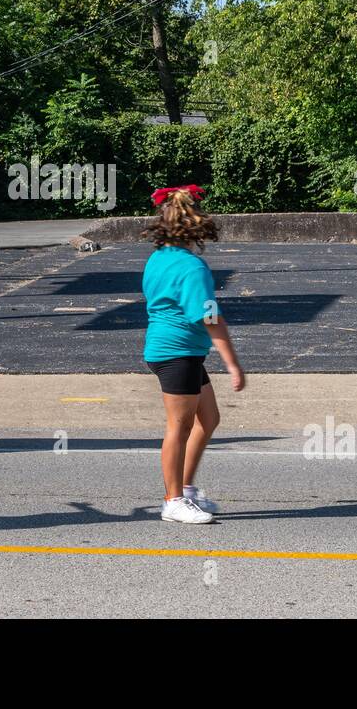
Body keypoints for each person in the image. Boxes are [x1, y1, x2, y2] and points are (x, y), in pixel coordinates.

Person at [141, 184, 245, 524]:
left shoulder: (157, 259)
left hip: (174, 351)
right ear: (195, 224)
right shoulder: (192, 267)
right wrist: (233, 364)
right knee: (179, 426)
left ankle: (183, 489)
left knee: (209, 418)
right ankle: (173, 501)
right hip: (177, 353)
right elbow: (209, 317)